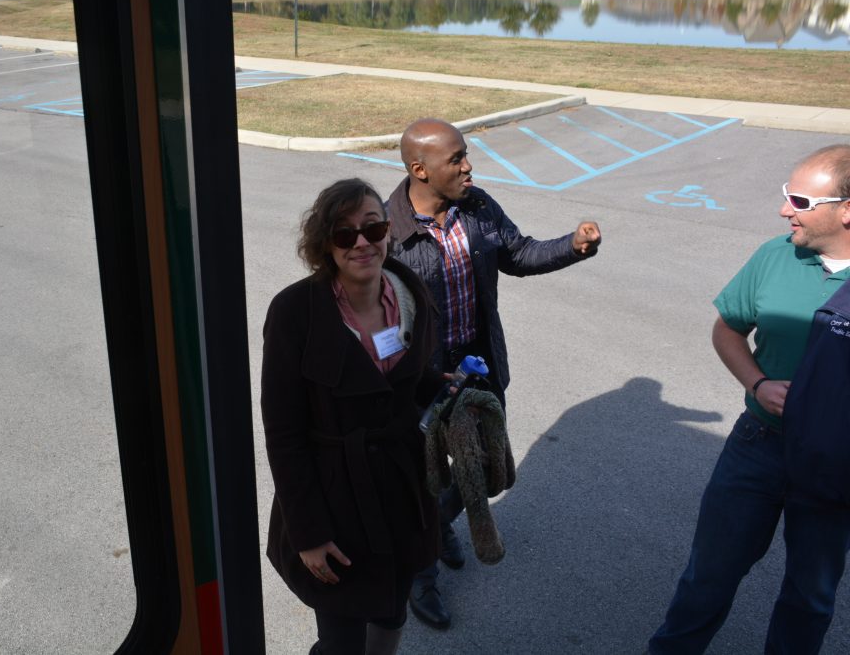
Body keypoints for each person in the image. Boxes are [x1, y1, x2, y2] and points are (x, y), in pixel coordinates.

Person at [386, 118, 602, 629]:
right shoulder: (389, 231)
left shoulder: (478, 207)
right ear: (420, 169)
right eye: (456, 159)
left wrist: (573, 246)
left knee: (483, 469)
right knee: (422, 481)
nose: (469, 166)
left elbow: (518, 253)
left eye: (466, 154)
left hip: (477, 368)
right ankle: (421, 576)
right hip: (420, 381)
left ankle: (438, 527)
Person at [648, 144, 850, 654]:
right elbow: (728, 329)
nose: (784, 210)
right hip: (757, 444)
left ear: (847, 210)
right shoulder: (775, 255)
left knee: (810, 597)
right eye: (787, 196)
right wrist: (758, 384)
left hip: (835, 462)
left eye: (799, 201)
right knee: (708, 575)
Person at [261, 178, 446, 655]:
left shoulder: (410, 293)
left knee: (392, 611)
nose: (362, 242)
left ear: (388, 231)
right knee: (341, 637)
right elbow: (283, 434)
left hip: (403, 491)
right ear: (326, 244)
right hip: (335, 499)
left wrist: (444, 388)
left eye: (373, 228)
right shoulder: (293, 312)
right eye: (345, 233)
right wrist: (308, 532)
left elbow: (404, 380)